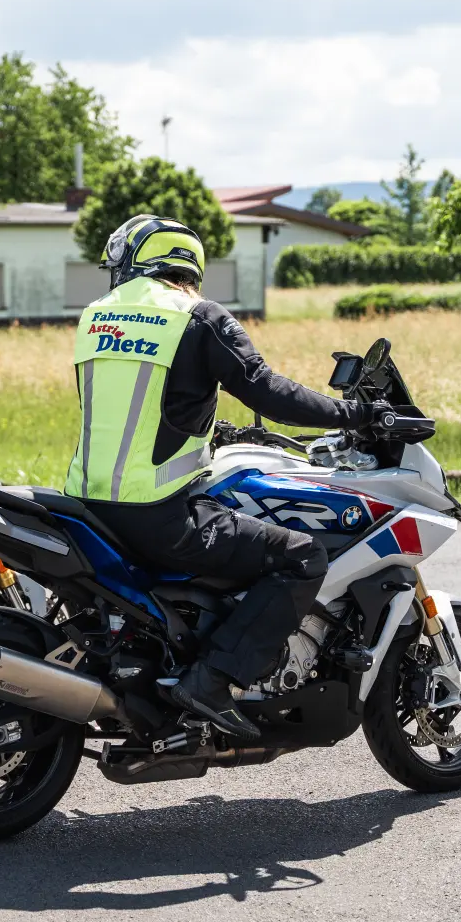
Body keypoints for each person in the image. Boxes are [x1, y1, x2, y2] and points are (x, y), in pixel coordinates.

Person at [64, 215, 387, 738]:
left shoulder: (95, 317)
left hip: (87, 506)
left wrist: (206, 426)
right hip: (159, 513)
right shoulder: (197, 317)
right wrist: (353, 414)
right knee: (301, 557)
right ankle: (212, 678)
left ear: (135, 265)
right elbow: (267, 391)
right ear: (186, 264)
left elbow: (139, 406)